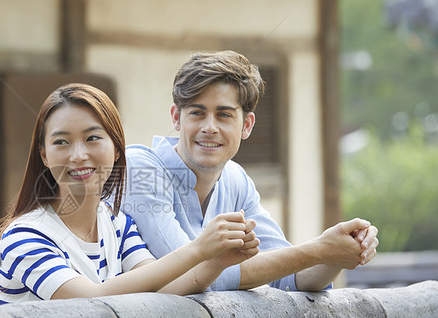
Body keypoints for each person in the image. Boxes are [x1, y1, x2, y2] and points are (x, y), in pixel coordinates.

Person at [123, 51, 379, 293]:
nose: (209, 127)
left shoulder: (236, 179)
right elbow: (190, 276)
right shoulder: (140, 169)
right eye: (197, 113)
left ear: (246, 125)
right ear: (176, 119)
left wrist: (339, 253)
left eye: (223, 115)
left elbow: (289, 278)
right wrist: (318, 250)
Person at [0, 83, 259, 305]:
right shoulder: (26, 235)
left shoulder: (118, 225)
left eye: (92, 138)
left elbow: (162, 290)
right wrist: (199, 249)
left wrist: (217, 261)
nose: (78, 155)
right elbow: (90, 301)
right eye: (61, 142)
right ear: (44, 155)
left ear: (117, 149)